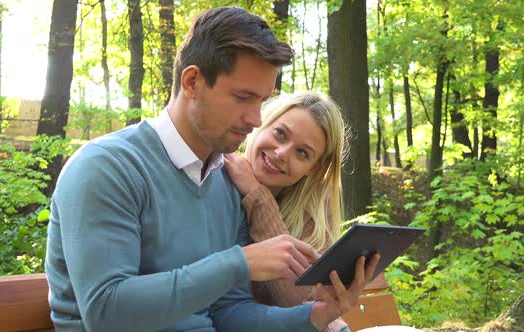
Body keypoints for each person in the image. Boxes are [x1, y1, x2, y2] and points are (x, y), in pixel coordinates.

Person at [44, 6, 379, 332]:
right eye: (243, 97)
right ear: (192, 82)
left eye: (261, 101)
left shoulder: (221, 182)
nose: (256, 119)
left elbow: (227, 312)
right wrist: (239, 262)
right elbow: (106, 313)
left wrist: (315, 317)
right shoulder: (107, 167)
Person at [224, 92, 354, 332]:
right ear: (262, 124)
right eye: (280, 133)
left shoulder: (312, 212)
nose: (282, 153)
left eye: (302, 153)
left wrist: (258, 196)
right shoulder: (218, 183)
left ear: (313, 169)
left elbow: (303, 301)